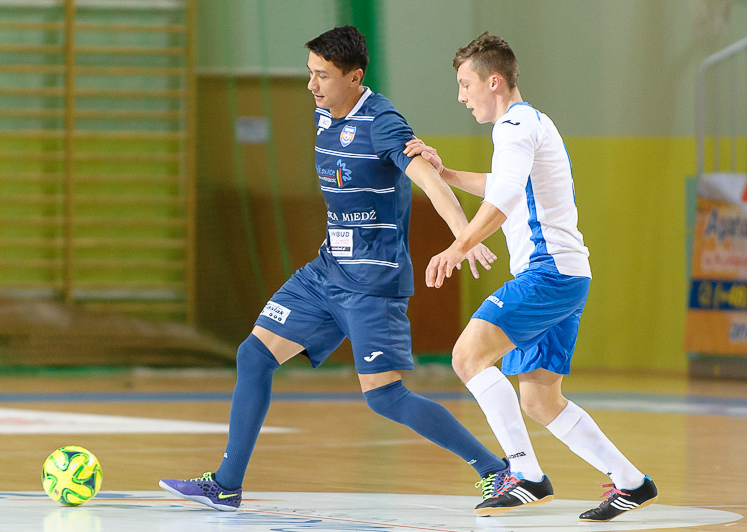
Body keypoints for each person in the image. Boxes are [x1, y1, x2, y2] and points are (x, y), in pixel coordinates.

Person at [159, 25, 510, 512]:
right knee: (253, 356)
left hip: (372, 281)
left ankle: (495, 468)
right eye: (310, 73)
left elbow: (430, 182)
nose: (311, 84)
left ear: (354, 77)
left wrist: (464, 237)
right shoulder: (324, 113)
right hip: (326, 272)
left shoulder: (383, 122)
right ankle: (226, 484)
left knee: (384, 397)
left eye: (322, 75)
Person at [404, 32, 658, 522]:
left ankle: (525, 475)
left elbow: (502, 203)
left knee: (467, 356)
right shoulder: (530, 123)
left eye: (465, 84)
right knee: (541, 400)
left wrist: (458, 247)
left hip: (548, 272)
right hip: (567, 275)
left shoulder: (513, 127)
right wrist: (447, 173)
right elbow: (505, 186)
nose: (460, 96)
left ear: (494, 81)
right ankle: (632, 482)